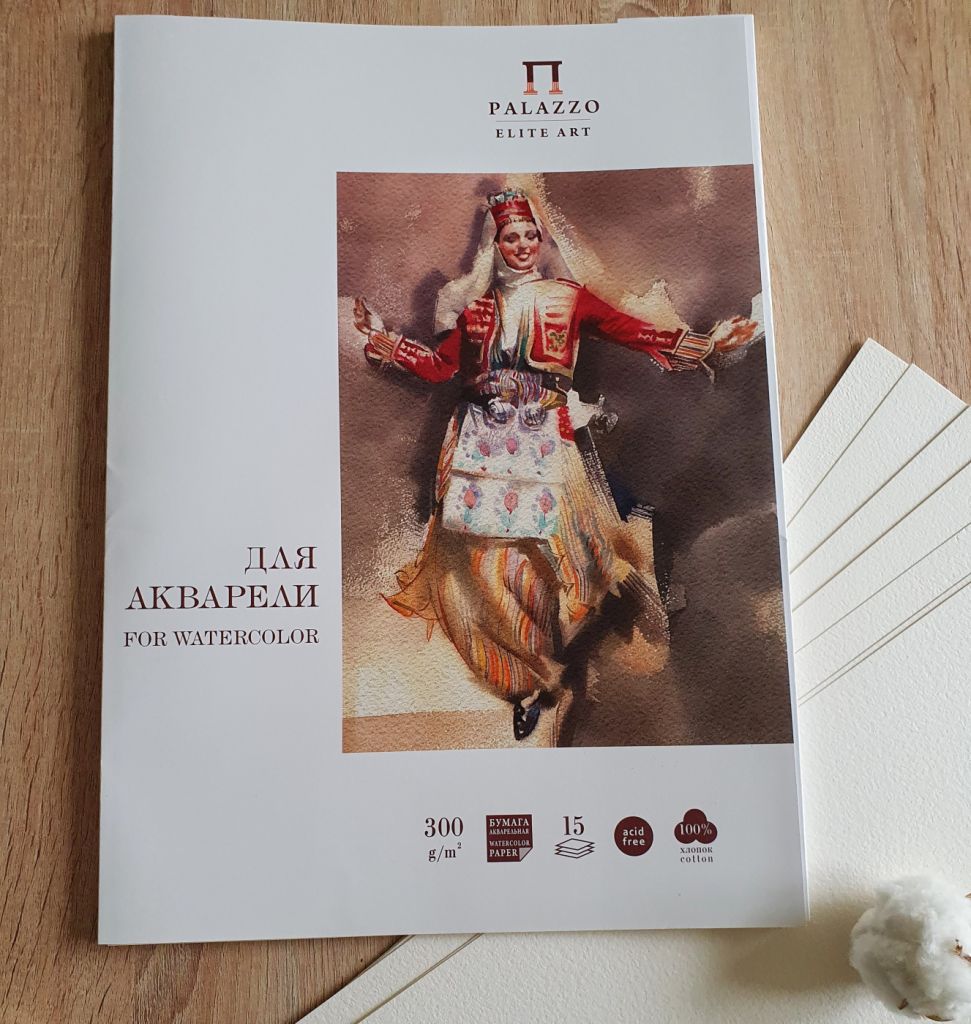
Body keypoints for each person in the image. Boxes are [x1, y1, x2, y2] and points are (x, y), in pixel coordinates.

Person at [355, 188, 755, 741]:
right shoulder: (478, 311)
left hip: (546, 441)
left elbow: (635, 332)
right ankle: (525, 681)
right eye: (510, 237)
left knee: (552, 563)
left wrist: (706, 345)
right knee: (478, 572)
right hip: (478, 448)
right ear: (496, 247)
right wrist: (383, 341)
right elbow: (440, 367)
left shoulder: (569, 299)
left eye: (529, 235)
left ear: (540, 242)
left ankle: (556, 662)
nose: (521, 245)